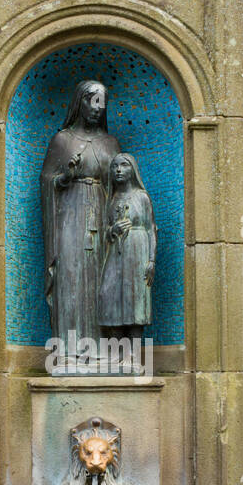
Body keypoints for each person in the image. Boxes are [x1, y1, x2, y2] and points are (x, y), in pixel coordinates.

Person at [39, 80, 121, 346]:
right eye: (92, 101)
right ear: (80, 102)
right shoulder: (62, 140)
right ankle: (69, 346)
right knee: (70, 275)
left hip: (101, 213)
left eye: (102, 103)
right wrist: (64, 178)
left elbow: (122, 182)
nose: (98, 108)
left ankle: (106, 347)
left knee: (103, 277)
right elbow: (47, 181)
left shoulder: (110, 143)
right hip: (69, 215)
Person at [98, 152, 157, 342]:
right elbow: (104, 231)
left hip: (138, 251)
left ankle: (133, 354)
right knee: (109, 295)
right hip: (115, 253)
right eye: (115, 166)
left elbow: (150, 230)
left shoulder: (142, 197)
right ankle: (116, 352)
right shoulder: (111, 198)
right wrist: (112, 230)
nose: (118, 170)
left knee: (135, 300)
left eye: (124, 165)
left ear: (133, 170)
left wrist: (151, 260)